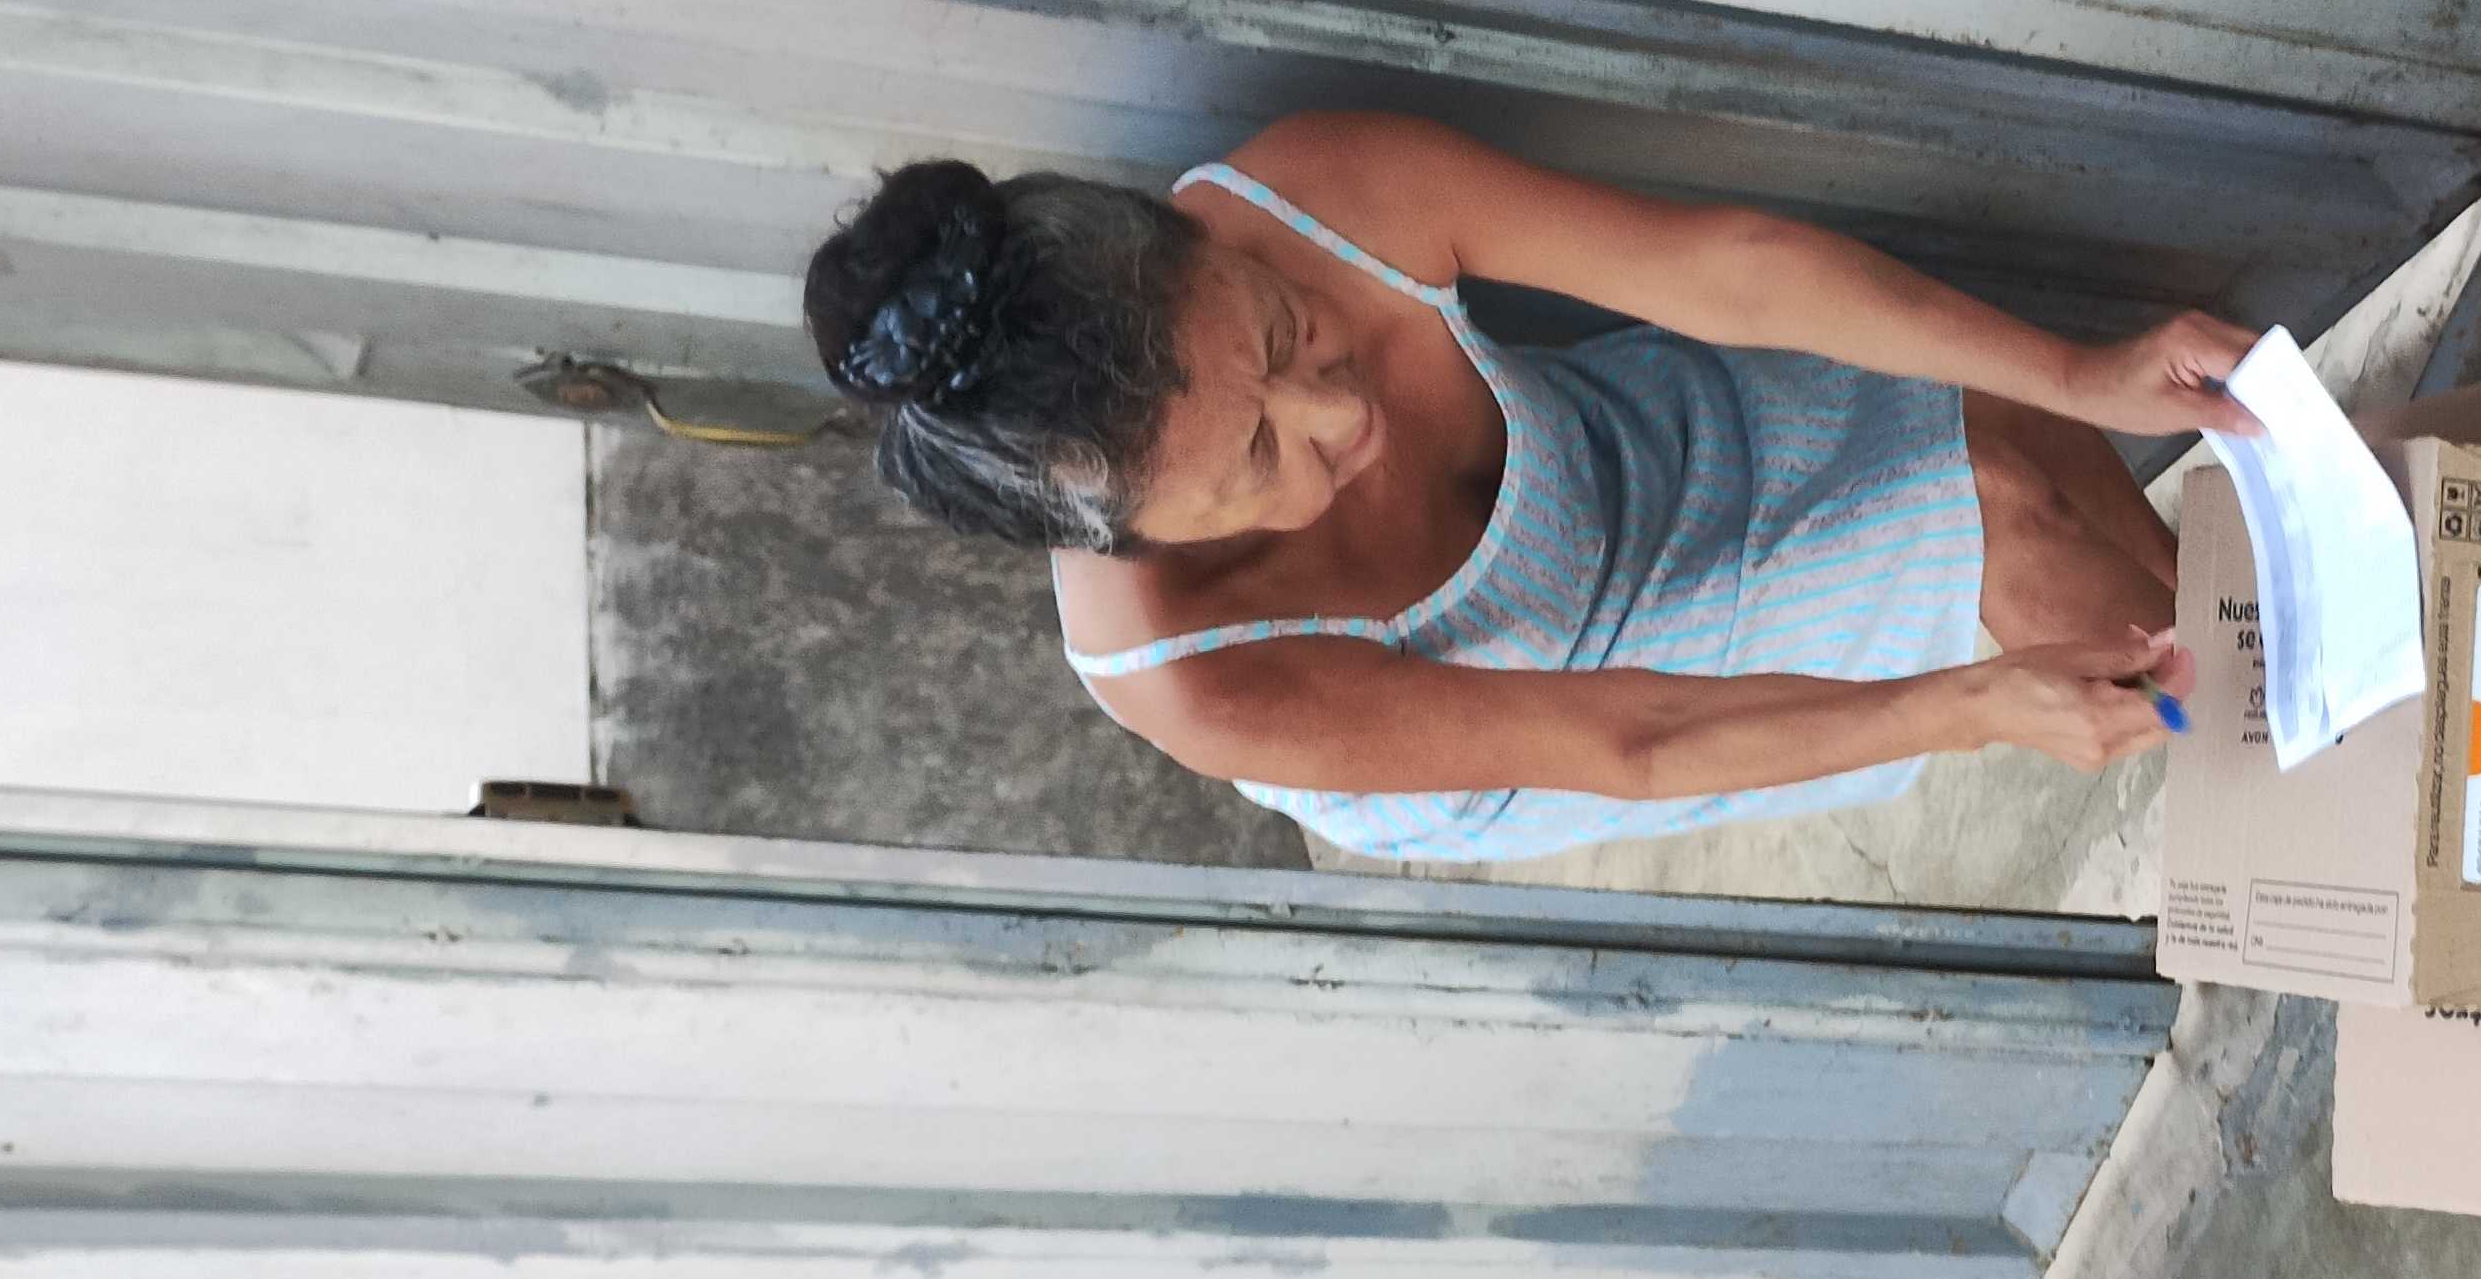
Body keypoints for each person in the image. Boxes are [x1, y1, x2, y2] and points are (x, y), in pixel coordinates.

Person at [802, 111, 2242, 861]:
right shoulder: (1193, 677)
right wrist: (1968, 705)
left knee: (2015, 421)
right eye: (1253, 462)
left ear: (1210, 248)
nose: (1339, 417)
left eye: (1287, 332)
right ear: (1131, 539)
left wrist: (2088, 372)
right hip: (1568, 691)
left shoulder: (1315, 193)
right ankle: (2294, 772)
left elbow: (1726, 271)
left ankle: (2273, 698)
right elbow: (1634, 742)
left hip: (1634, 457)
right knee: (1999, 512)